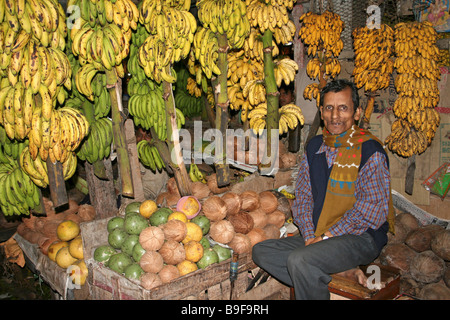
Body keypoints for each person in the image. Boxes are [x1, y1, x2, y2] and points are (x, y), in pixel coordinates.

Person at [252, 79, 395, 300]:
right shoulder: (315, 147)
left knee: (300, 260)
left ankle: (319, 268)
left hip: (360, 237)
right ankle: (336, 270)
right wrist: (310, 237)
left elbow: (371, 211)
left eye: (343, 108)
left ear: (356, 113)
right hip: (320, 232)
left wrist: (325, 238)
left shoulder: (370, 151)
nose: (335, 115)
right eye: (329, 108)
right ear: (321, 111)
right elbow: (304, 199)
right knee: (262, 251)